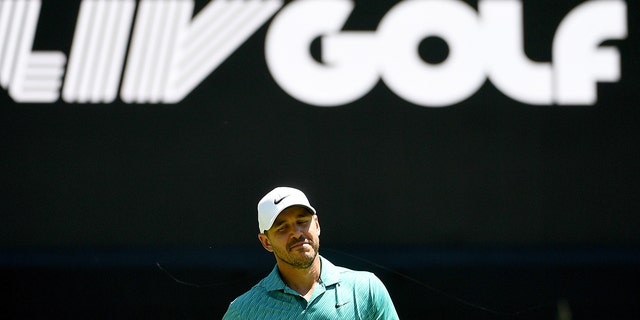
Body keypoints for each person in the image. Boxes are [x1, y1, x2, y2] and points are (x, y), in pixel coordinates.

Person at [222, 186, 399, 319]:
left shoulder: (366, 289)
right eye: (283, 228)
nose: (297, 233)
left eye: (302, 221)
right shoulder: (243, 312)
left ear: (317, 224)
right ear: (266, 241)